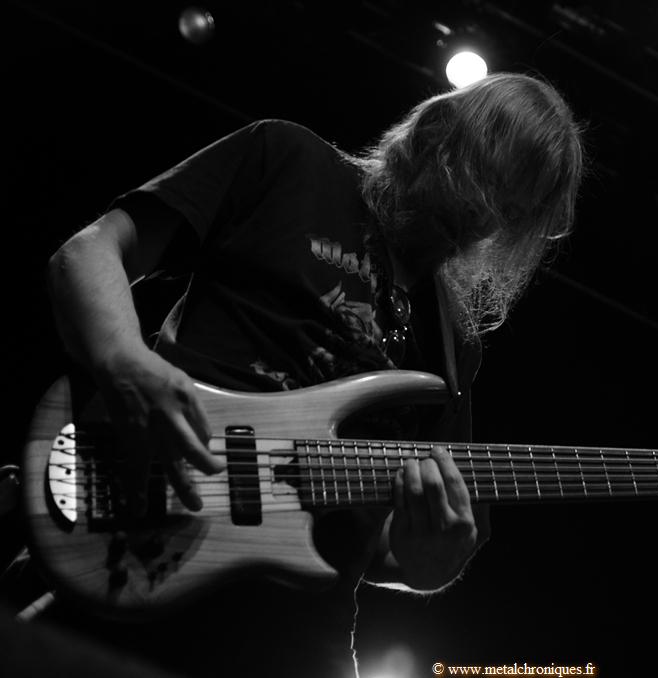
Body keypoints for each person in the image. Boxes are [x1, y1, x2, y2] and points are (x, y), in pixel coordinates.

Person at [39, 72, 585, 678]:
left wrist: (428, 561)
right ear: (435, 134)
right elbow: (89, 253)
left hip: (292, 641)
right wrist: (125, 361)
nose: (484, 219)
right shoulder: (287, 158)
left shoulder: (454, 346)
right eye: (480, 185)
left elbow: (379, 543)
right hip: (142, 533)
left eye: (509, 209)